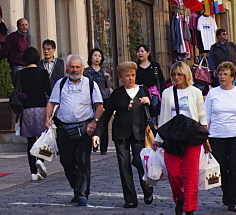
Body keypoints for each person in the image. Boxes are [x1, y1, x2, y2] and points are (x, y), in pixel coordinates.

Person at [95, 61, 157, 208]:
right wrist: (97, 134)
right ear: (120, 77)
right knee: (124, 166)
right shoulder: (117, 94)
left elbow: (153, 113)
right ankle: (130, 198)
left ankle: (147, 190)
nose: (130, 78)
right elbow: (106, 115)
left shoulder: (143, 90)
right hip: (120, 133)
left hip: (139, 133)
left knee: (140, 162)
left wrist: (149, 103)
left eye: (133, 75)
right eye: (127, 76)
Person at [46, 54, 103, 207]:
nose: (75, 69)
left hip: (84, 128)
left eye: (78, 67)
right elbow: (51, 103)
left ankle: (82, 193)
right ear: (67, 68)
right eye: (72, 67)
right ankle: (77, 188)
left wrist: (94, 122)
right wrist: (47, 119)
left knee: (83, 161)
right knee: (67, 161)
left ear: (83, 69)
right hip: (64, 128)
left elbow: (99, 106)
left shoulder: (90, 84)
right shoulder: (61, 83)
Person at [155, 61, 208, 215]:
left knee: (190, 175)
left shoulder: (195, 92)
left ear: (186, 75)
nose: (176, 77)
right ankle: (180, 198)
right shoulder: (167, 93)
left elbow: (201, 116)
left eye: (179, 74)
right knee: (174, 173)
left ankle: (189, 208)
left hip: (191, 135)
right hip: (172, 135)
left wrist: (205, 139)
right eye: (174, 74)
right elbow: (163, 117)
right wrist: (158, 138)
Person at [204, 61, 236, 212]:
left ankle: (232, 200)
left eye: (225, 74)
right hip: (217, 135)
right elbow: (206, 116)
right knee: (221, 167)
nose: (222, 77)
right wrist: (204, 136)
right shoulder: (212, 93)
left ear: (232, 77)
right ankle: (226, 192)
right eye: (220, 74)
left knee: (235, 168)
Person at [16, 46, 52, 181]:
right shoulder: (42, 73)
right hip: (42, 108)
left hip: (27, 109)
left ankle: (33, 172)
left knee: (30, 141)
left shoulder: (20, 74)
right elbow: (49, 91)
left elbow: (17, 91)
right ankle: (41, 160)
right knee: (44, 138)